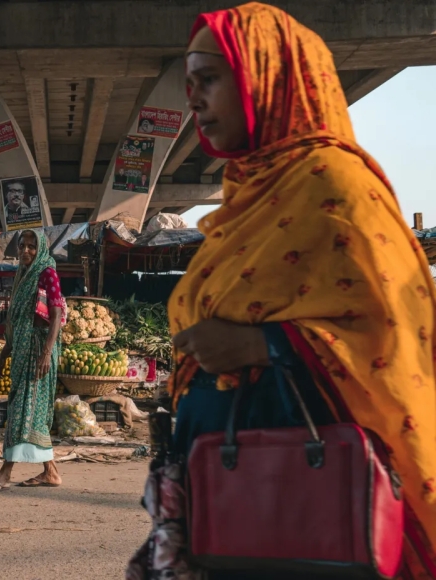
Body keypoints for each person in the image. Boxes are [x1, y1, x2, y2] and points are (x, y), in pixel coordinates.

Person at [127, 3, 436, 577]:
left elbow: (396, 335)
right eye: (190, 83)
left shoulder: (336, 188)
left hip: (303, 505)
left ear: (269, 76)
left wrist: (263, 346)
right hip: (223, 495)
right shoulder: (247, 194)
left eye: (210, 79)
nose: (193, 99)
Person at [0, 230, 65, 492]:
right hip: (22, 353)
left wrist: (46, 352)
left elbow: (57, 313)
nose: (26, 250)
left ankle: (5, 472)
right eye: (22, 245)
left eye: (31, 246)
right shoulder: (22, 275)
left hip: (38, 353)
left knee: (23, 413)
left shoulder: (47, 273)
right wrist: (3, 356)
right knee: (28, 412)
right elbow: (15, 321)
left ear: (41, 249)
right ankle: (50, 472)